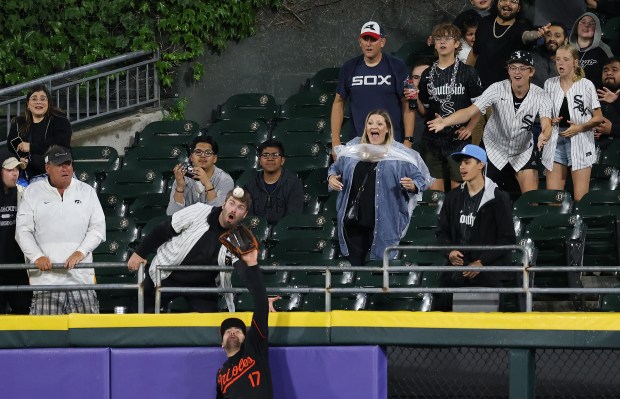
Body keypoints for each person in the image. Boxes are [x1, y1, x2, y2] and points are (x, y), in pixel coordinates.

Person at [429, 51, 553, 197]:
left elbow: (546, 123)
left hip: (522, 151)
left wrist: (544, 135)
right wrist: (445, 121)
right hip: (494, 149)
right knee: (481, 197)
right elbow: (470, 112)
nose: (517, 72)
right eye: (513, 68)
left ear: (531, 71)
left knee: (531, 198)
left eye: (522, 68)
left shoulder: (541, 95)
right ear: (508, 70)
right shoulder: (496, 89)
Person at [327, 109, 432, 265]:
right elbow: (335, 168)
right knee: (353, 269)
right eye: (370, 123)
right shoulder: (353, 151)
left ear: (387, 128)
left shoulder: (399, 155)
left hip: (385, 223)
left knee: (379, 272)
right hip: (353, 221)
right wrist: (331, 177)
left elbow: (422, 178)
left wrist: (413, 185)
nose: (373, 126)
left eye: (379, 123)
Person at [128, 188, 251, 313]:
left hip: (202, 284)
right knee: (140, 312)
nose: (234, 210)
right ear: (224, 204)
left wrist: (263, 297)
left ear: (245, 214)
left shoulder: (240, 239)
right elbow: (164, 229)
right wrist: (140, 253)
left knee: (208, 325)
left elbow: (248, 272)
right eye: (231, 203)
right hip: (167, 273)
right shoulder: (199, 210)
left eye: (240, 207)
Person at [15, 146, 106, 315]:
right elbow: (22, 231)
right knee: (45, 338)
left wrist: (80, 252)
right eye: (59, 164)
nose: (65, 168)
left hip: (81, 279)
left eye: (68, 163)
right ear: (47, 168)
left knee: (87, 336)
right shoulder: (32, 192)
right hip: (45, 282)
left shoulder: (87, 191)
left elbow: (98, 228)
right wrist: (36, 256)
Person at [435, 144, 515, 311]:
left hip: (488, 270)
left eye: (467, 162)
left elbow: (507, 239)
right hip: (458, 269)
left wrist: (481, 262)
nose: (462, 167)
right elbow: (442, 232)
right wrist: (450, 251)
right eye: (460, 163)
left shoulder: (498, 198)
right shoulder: (452, 197)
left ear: (481, 165)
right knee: (441, 299)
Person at [415, 23, 483, 191]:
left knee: (458, 192)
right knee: (435, 195)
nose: (442, 42)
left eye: (447, 38)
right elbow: (424, 111)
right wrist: (414, 97)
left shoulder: (468, 72)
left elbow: (480, 105)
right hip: (432, 140)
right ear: (434, 43)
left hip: (457, 139)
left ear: (457, 44)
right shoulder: (427, 74)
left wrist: (470, 127)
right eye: (438, 39)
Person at [331, 21, 414, 151]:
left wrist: (408, 141)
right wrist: (335, 141)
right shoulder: (349, 67)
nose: (368, 44)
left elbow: (407, 103)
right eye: (365, 39)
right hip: (359, 142)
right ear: (360, 41)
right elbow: (338, 102)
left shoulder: (397, 66)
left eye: (373, 39)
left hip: (391, 143)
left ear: (382, 42)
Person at [542, 44, 604, 201]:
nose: (560, 63)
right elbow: (544, 114)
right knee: (554, 199)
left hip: (580, 141)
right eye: (557, 60)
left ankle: (578, 225)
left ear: (575, 62)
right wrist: (551, 120)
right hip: (555, 140)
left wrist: (580, 127)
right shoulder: (549, 84)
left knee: (580, 197)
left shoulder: (586, 85)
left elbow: (598, 118)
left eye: (565, 59)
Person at [216, 244, 273, 399]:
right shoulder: (221, 374)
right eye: (228, 332)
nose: (233, 332)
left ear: (245, 337)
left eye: (238, 331)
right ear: (222, 343)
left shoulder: (255, 347)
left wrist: (252, 265)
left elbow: (261, 302)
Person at [467, 0, 550, 89]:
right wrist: (465, 76)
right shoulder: (485, 22)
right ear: (497, 3)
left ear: (518, 8)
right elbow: (475, 52)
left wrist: (537, 34)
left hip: (504, 90)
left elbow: (527, 36)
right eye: (503, 0)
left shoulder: (521, 27)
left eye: (513, 1)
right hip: (478, 85)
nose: (507, 4)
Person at [6, 85, 72, 182]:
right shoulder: (18, 123)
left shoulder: (60, 121)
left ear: (48, 103)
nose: (38, 102)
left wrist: (31, 147)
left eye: (43, 99)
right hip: (31, 176)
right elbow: (11, 148)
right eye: (34, 99)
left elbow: (61, 144)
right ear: (28, 104)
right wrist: (20, 161)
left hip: (58, 173)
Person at [167, 136, 234, 215]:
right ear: (192, 157)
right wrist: (180, 187)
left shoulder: (225, 180)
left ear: (215, 158)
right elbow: (172, 214)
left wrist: (207, 184)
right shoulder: (182, 178)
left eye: (208, 152)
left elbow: (219, 215)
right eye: (198, 152)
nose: (203, 155)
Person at [243, 139, 304, 225]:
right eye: (265, 155)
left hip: (283, 234)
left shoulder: (294, 184)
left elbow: (293, 218)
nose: (270, 159)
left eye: (275, 155)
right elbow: (248, 219)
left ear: (282, 160)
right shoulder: (250, 186)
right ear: (260, 160)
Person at [0, 149, 31, 314]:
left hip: (17, 266)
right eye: (10, 170)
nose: (15, 174)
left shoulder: (23, 194)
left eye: (17, 169)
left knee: (23, 311)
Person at [568, 12, 613, 88]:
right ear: (576, 26)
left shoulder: (604, 50)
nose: (586, 25)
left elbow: (613, 75)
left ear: (597, 29)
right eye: (583, 22)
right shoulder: (566, 49)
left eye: (591, 23)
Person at [532, 22, 568, 88]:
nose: (552, 39)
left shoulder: (570, 62)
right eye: (548, 35)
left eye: (557, 36)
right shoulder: (533, 56)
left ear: (565, 40)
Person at [594, 57, 620, 144]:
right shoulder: (593, 95)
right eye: (605, 70)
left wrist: (612, 129)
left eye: (614, 70)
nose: (609, 73)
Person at [409, 58, 434, 145]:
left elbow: (425, 113)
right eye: (416, 77)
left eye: (424, 77)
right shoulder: (404, 98)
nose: (420, 81)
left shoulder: (442, 96)